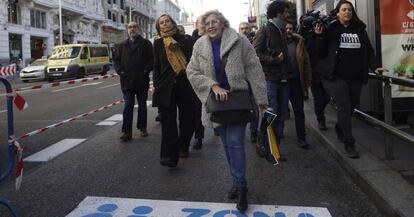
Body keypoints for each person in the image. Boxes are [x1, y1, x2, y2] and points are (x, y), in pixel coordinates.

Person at [187, 10, 268, 212]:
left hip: (238, 99)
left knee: (235, 143)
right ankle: (237, 180)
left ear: (223, 23)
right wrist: (212, 85)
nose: (211, 26)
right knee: (226, 144)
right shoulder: (199, 45)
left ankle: (241, 188)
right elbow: (192, 71)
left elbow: (253, 67)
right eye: (207, 24)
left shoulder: (239, 41)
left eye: (215, 22)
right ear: (203, 27)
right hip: (216, 103)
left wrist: (261, 98)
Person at [314, 0, 388, 158]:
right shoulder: (330, 29)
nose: (347, 12)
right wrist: (320, 37)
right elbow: (319, 53)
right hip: (334, 77)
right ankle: (349, 143)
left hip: (354, 77)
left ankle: (341, 128)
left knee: (351, 105)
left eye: (349, 10)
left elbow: (368, 51)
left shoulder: (359, 29)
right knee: (344, 105)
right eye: (344, 9)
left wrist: (375, 67)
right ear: (338, 13)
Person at [152, 14, 196, 167]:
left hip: (185, 84)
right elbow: (156, 66)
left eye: (167, 21)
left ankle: (183, 145)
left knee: (188, 119)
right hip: (166, 87)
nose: (164, 24)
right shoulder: (158, 43)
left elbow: (193, 61)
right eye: (161, 23)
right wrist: (156, 84)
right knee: (168, 123)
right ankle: (169, 156)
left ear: (173, 23)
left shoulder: (186, 40)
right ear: (159, 27)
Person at [253, 1, 292, 158]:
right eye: (286, 12)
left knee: (282, 115)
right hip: (270, 80)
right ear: (278, 13)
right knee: (272, 114)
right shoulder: (265, 30)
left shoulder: (282, 30)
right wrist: (274, 60)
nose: (287, 14)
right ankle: (270, 149)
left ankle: (269, 145)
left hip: (283, 79)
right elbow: (255, 53)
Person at [113, 21, 153, 141]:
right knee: (128, 106)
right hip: (127, 81)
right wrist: (120, 71)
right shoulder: (122, 45)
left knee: (142, 106)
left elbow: (152, 59)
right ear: (127, 30)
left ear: (139, 29)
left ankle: (142, 128)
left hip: (141, 81)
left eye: (134, 27)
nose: (132, 29)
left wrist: (146, 71)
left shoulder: (146, 44)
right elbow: (116, 60)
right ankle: (126, 132)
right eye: (130, 27)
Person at [285, 21, 312, 148]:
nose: (288, 31)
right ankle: (275, 136)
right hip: (282, 82)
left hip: (296, 82)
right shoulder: (277, 43)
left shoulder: (299, 43)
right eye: (286, 28)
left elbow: (306, 63)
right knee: (278, 111)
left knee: (299, 111)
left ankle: (302, 138)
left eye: (291, 28)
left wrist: (306, 83)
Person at [239, 21, 259, 143]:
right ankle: (240, 132)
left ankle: (253, 131)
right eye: (242, 28)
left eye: (246, 28)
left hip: (253, 78)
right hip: (239, 80)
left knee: (254, 106)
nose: (244, 30)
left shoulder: (256, 41)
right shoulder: (234, 43)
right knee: (240, 107)